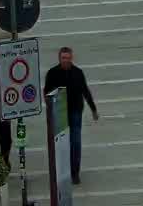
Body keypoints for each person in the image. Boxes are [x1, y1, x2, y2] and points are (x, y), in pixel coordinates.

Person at [42, 47, 99, 184]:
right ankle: (61, 171)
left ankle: (75, 172)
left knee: (75, 142)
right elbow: (47, 93)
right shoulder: (53, 73)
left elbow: (85, 91)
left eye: (68, 58)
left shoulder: (78, 73)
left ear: (72, 58)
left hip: (75, 112)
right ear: (59, 58)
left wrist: (93, 109)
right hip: (59, 113)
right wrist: (49, 111)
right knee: (60, 145)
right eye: (63, 58)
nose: (66, 60)